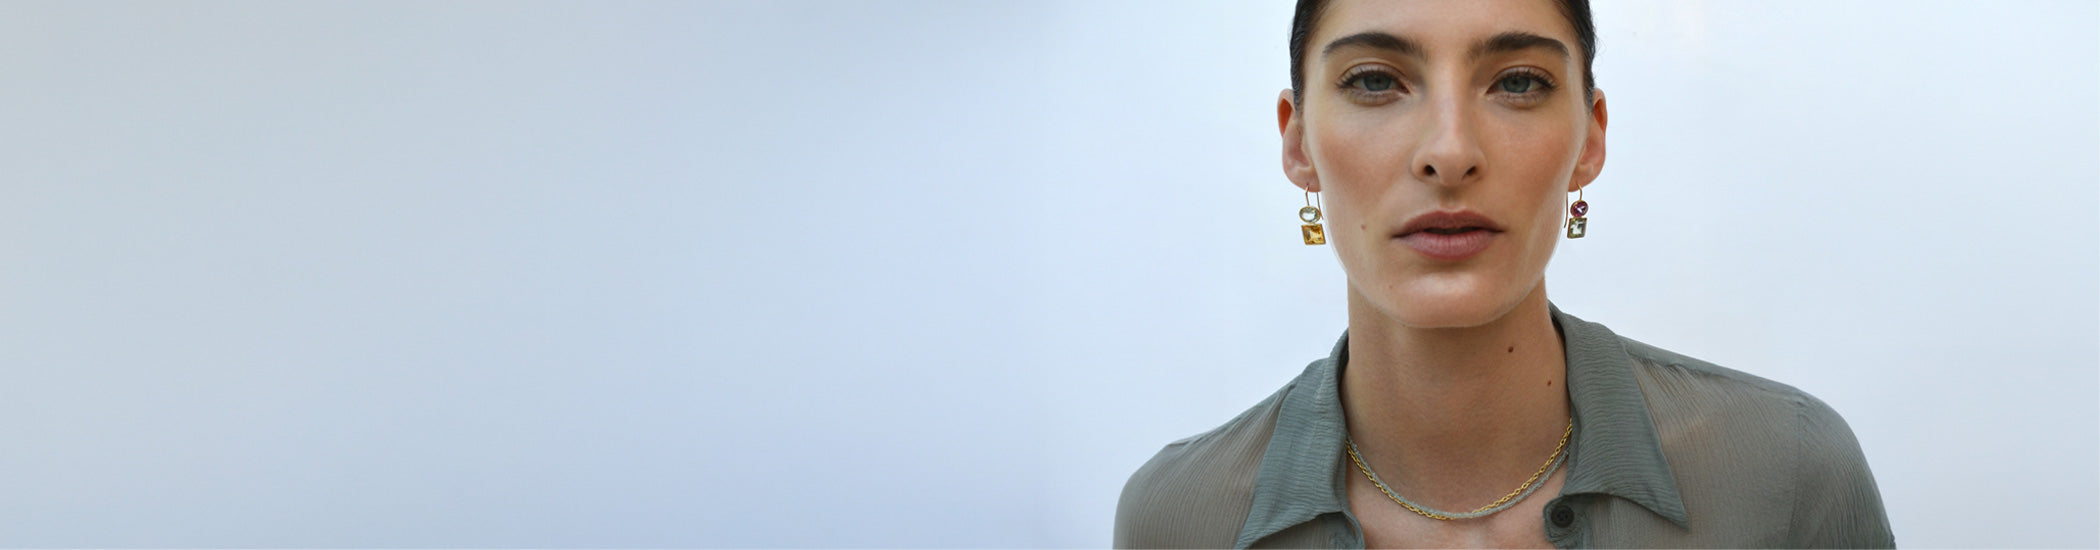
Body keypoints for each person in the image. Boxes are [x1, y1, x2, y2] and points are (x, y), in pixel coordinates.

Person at [1112, 0, 1895, 548]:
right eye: (1376, 81)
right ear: (1298, 145)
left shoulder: (1788, 473)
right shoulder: (1179, 522)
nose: (1450, 151)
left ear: (1589, 139)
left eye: (1517, 81)